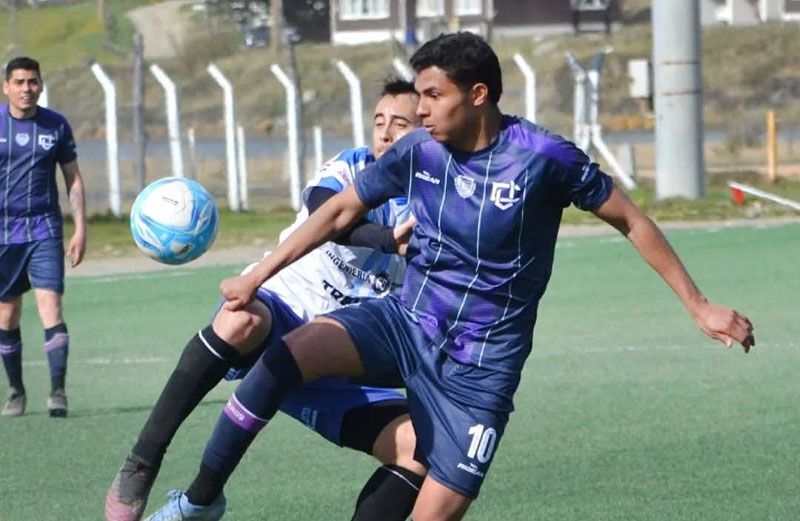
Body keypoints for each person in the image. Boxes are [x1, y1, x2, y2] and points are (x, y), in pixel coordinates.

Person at [148, 32, 756, 521]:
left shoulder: (544, 158)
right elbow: (336, 211)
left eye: (433, 96)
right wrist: (257, 276)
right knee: (282, 357)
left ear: (479, 94)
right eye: (418, 96)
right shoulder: (420, 151)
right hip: (405, 322)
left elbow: (632, 220)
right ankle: (201, 501)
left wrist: (698, 305)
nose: (420, 110)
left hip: (480, 369)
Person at [105, 78, 427, 521]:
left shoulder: (435, 199)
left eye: (401, 124)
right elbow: (325, 212)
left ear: (426, 132)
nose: (386, 133)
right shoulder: (351, 166)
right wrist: (389, 240)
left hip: (341, 362)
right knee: (240, 320)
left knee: (419, 448)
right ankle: (143, 461)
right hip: (282, 315)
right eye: (379, 122)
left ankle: (199, 505)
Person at [0, 56, 87, 418]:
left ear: (41, 85)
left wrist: (81, 227)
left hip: (44, 229)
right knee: (7, 315)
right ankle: (17, 391)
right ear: (6, 87)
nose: (26, 89)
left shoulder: (56, 125)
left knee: (50, 304)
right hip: (4, 233)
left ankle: (58, 392)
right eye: (18, 82)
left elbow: (74, 179)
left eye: (32, 81)